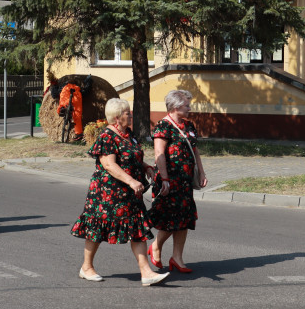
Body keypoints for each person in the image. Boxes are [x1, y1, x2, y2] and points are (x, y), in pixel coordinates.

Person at [71, 98, 169, 286]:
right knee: (97, 229)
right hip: (107, 193)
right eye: (127, 113)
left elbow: (131, 157)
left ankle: (146, 272)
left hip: (129, 193)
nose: (130, 115)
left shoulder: (127, 134)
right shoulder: (107, 137)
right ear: (117, 118)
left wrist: (146, 167)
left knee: (138, 229)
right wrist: (132, 180)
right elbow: (109, 164)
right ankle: (86, 267)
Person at [149, 89, 207, 274]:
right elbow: (159, 154)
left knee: (184, 219)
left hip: (185, 181)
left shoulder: (188, 126)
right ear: (175, 107)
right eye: (186, 105)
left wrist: (201, 173)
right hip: (169, 181)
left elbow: (195, 151)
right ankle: (156, 246)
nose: (190, 108)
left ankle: (177, 258)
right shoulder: (163, 126)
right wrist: (165, 178)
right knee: (170, 219)